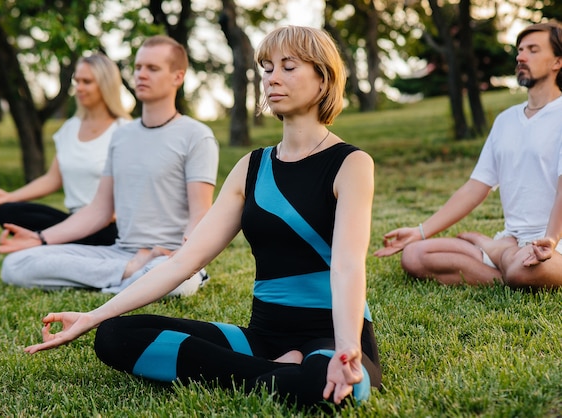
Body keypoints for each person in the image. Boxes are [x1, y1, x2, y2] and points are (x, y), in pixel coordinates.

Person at [23, 26, 381, 409]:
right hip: (261, 338)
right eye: (266, 67)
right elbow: (185, 260)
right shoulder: (251, 167)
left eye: (288, 67)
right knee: (116, 336)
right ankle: (274, 371)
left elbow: (346, 266)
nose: (272, 78)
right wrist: (94, 316)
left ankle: (285, 371)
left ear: (324, 79)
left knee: (322, 384)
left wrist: (346, 351)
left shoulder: (351, 164)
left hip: (332, 339)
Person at [0, 35, 219, 297]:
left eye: (152, 68)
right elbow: (99, 210)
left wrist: (185, 258)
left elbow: (201, 214)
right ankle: (130, 275)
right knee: (15, 265)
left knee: (176, 283)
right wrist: (40, 239)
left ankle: (137, 278)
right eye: (138, 67)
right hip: (119, 253)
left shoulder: (196, 135)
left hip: (169, 256)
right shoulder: (121, 136)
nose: (141, 74)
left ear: (178, 77)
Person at [375, 22, 562, 289]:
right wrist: (420, 231)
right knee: (415, 256)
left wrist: (551, 239)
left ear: (557, 61)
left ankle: (494, 252)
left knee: (526, 271)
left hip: (556, 245)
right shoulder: (505, 121)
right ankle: (505, 261)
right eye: (520, 50)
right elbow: (476, 187)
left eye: (533, 50)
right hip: (513, 240)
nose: (521, 57)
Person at [0, 53, 131, 246]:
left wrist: (104, 216)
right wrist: (9, 196)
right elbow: (52, 179)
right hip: (74, 220)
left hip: (109, 224)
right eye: (77, 81)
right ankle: (63, 237)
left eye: (87, 82)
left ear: (105, 85)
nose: (79, 88)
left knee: (93, 229)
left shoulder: (124, 131)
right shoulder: (70, 128)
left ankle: (55, 239)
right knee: (8, 211)